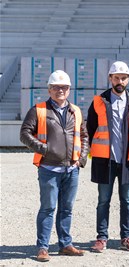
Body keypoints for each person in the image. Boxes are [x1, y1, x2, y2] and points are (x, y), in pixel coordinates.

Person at [20, 70, 89, 262]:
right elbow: (25, 133)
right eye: (56, 87)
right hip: (49, 169)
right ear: (49, 90)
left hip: (71, 169)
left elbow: (84, 136)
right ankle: (43, 247)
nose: (60, 90)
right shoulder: (39, 110)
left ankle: (65, 244)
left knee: (66, 209)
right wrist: (45, 149)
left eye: (64, 87)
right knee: (48, 208)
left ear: (69, 90)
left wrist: (81, 159)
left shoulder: (76, 111)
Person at [87, 61, 129, 252]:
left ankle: (126, 237)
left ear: (128, 79)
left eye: (123, 77)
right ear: (110, 78)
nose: (120, 81)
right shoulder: (99, 101)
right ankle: (101, 238)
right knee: (103, 200)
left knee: (127, 200)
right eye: (116, 77)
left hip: (128, 160)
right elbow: (91, 128)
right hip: (106, 159)